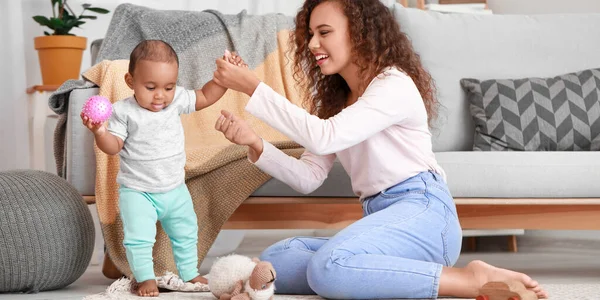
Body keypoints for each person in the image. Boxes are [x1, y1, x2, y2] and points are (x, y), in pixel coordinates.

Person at [211, 0, 548, 299]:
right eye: (310, 34)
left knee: (327, 267)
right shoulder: (336, 102)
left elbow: (324, 138)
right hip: (383, 220)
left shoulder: (393, 84)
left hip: (424, 214)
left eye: (324, 32)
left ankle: (467, 280)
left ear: (359, 33)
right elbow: (308, 177)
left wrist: (254, 87)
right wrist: (255, 143)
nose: (313, 44)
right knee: (281, 256)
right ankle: (326, 274)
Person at [81, 40, 245, 297]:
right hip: (138, 192)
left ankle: (189, 271)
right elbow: (113, 147)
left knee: (187, 231)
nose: (160, 95)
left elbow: (205, 96)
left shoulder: (177, 99)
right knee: (139, 239)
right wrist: (99, 131)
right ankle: (145, 278)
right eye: (150, 87)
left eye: (168, 87)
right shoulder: (124, 112)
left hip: (174, 188)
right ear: (130, 80)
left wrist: (223, 80)